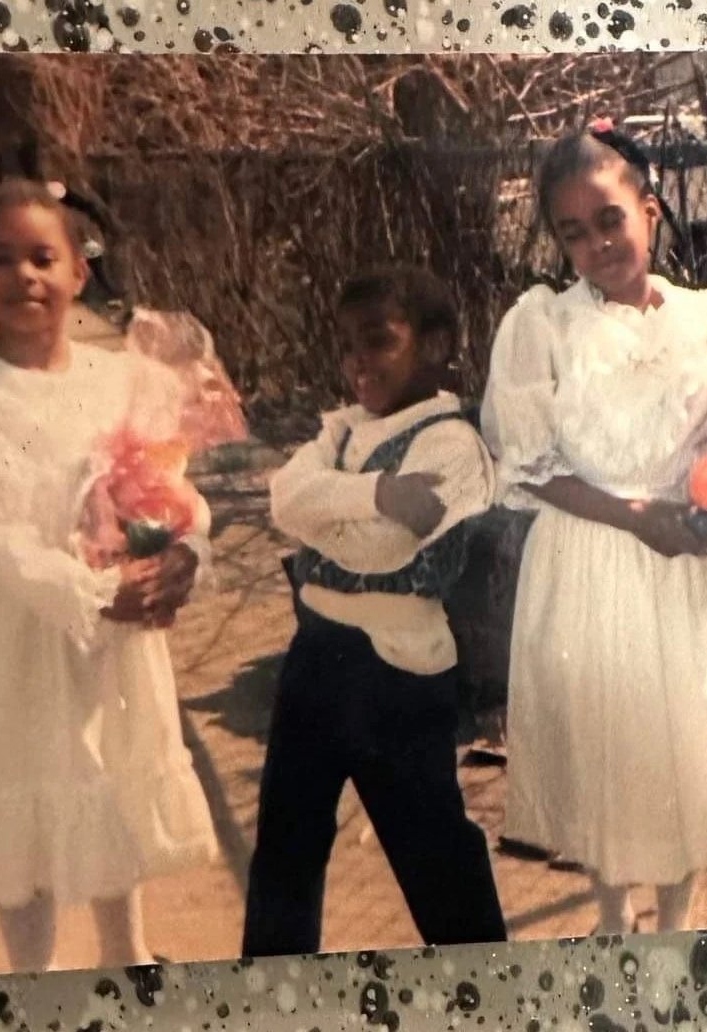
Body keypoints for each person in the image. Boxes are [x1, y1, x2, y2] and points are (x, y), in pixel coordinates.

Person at [480, 123, 707, 934]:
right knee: (607, 742)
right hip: (592, 552)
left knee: (683, 740)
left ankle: (673, 926)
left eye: (610, 220)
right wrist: (632, 513)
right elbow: (529, 465)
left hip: (683, 561)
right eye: (573, 232)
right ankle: (611, 917)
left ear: (649, 210)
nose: (597, 244)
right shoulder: (543, 326)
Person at [0, 179, 219, 973]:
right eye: (0, 260)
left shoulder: (122, 379)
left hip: (113, 637)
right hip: (14, 632)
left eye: (42, 257)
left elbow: (169, 484)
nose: (24, 276)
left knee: (107, 778)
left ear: (77, 273)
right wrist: (92, 591)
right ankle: (34, 979)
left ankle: (127, 955)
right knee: (23, 792)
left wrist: (177, 552)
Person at [241, 267, 507, 957]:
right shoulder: (346, 428)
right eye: (348, 346)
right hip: (316, 654)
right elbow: (284, 497)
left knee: (432, 852)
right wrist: (379, 494)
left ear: (435, 344)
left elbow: (381, 555)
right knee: (285, 847)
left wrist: (334, 510)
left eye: (378, 342)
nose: (359, 362)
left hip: (396, 672)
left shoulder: (452, 442)